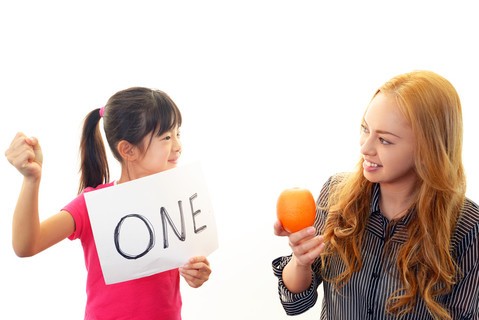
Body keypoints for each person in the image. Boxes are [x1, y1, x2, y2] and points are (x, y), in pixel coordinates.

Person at [272, 70, 479, 319]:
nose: (365, 147)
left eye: (385, 140)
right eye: (365, 129)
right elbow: (295, 305)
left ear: (428, 148)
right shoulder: (336, 195)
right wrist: (301, 260)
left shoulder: (468, 228)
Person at [5, 87, 211, 320]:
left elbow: (185, 264)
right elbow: (26, 245)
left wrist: (196, 272)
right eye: (166, 137)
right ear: (128, 150)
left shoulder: (176, 198)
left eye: (178, 134)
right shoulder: (93, 205)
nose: (177, 146)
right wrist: (32, 179)